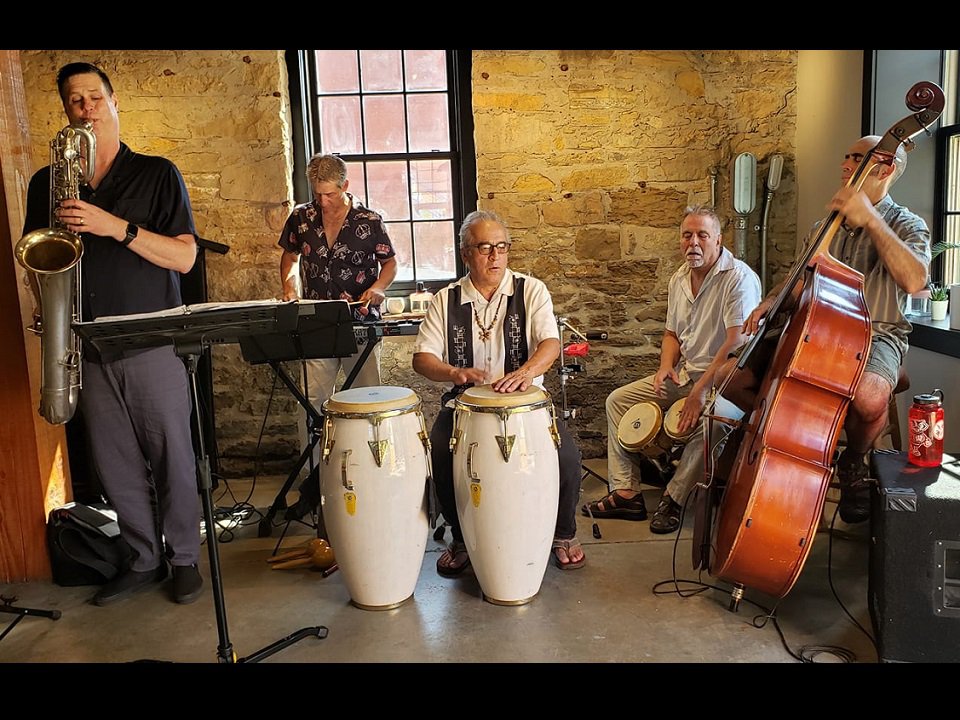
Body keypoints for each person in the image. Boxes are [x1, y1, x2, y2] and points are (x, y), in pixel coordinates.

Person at [22, 62, 203, 606]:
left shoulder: (157, 173)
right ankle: (143, 559)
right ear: (66, 112)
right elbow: (41, 264)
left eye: (94, 98)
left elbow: (185, 255)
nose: (85, 109)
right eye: (74, 101)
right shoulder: (46, 183)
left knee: (172, 454)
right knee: (115, 463)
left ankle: (185, 559)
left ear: (113, 102)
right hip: (86, 343)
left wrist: (113, 226)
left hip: (151, 340)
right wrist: (48, 313)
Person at [724, 135, 929, 524]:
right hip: (813, 327)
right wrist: (771, 301)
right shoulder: (825, 226)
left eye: (856, 157)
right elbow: (798, 279)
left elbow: (916, 280)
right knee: (730, 378)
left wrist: (871, 218)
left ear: (884, 169)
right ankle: (806, 444)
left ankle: (854, 461)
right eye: (846, 155)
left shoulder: (906, 223)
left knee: (869, 398)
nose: (845, 165)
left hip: (876, 332)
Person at [412, 210, 586, 572]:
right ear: (465, 254)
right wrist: (453, 371)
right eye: (485, 247)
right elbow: (422, 359)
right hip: (466, 405)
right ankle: (462, 539)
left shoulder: (530, 289)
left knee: (567, 456)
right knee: (441, 453)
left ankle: (563, 533)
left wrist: (526, 372)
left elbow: (550, 343)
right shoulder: (445, 300)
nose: (495, 256)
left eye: (502, 247)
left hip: (526, 404)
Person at [583, 205, 761, 533]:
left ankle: (675, 497)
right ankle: (626, 491)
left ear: (718, 240)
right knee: (618, 401)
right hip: (687, 374)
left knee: (715, 422)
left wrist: (699, 392)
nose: (693, 242)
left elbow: (735, 343)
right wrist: (666, 366)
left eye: (702, 235)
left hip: (728, 382)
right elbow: (671, 334)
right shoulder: (679, 278)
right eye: (687, 235)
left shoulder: (738, 278)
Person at [278, 154, 397, 472]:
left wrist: (380, 288)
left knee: (366, 395)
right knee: (312, 400)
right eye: (317, 194)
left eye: (329, 193)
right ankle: (315, 474)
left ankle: (369, 467)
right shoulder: (301, 217)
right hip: (316, 320)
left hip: (360, 318)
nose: (323, 200)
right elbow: (290, 259)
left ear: (345, 185)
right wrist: (290, 287)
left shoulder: (369, 220)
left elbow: (389, 263)